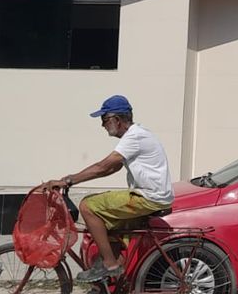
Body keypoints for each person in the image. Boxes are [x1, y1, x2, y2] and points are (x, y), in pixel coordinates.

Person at [44, 95, 174, 283]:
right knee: (106, 221)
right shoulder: (136, 135)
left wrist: (68, 180)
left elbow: (103, 166)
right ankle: (114, 274)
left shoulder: (134, 137)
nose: (102, 125)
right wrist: (74, 180)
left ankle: (110, 264)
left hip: (148, 197)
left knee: (88, 206)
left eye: (104, 120)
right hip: (151, 195)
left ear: (117, 119)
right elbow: (111, 168)